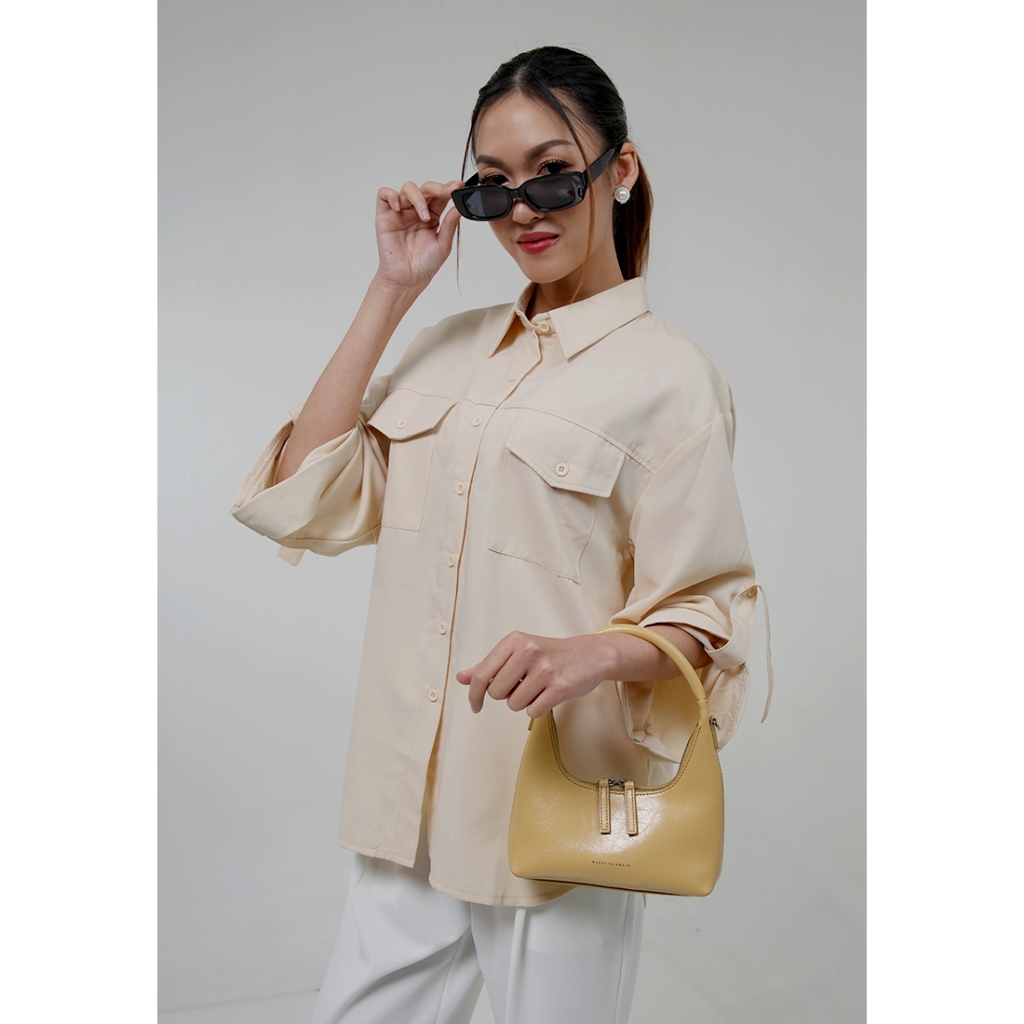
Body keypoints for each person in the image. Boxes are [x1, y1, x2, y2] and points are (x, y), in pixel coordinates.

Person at [231, 45, 768, 1024]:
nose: (525, 209)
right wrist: (392, 288)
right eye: (491, 187)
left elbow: (709, 613)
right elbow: (305, 496)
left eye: (553, 173)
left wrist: (590, 653)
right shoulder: (446, 346)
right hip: (409, 804)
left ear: (620, 168)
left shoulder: (674, 382)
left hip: (556, 811)